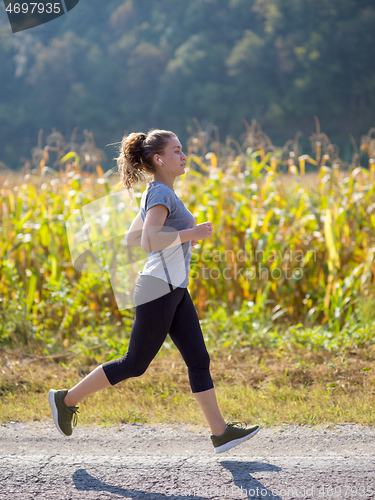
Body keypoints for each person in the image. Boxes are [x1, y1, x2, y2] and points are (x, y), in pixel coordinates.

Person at [48, 129, 260, 453]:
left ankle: (220, 433)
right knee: (134, 364)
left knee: (199, 359)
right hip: (158, 288)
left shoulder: (157, 192)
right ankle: (66, 399)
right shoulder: (160, 193)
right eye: (177, 151)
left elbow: (133, 237)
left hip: (173, 287)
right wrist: (191, 232)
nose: (184, 155)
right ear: (159, 159)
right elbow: (148, 240)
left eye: (182, 149)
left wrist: (175, 233)